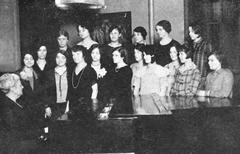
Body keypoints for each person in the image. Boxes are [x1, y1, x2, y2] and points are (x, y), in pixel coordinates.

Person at [0, 73, 48, 153]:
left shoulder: (19, 101)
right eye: (20, 85)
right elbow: (16, 131)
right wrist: (39, 133)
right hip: (16, 146)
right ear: (12, 89)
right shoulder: (6, 107)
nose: (22, 87)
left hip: (26, 140)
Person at [133, 45, 170, 112]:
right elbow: (136, 91)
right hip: (143, 102)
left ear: (153, 55)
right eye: (144, 55)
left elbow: (163, 91)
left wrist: (161, 107)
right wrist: (137, 106)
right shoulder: (140, 71)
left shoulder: (161, 70)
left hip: (157, 104)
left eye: (147, 55)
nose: (145, 57)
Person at [68, 45, 98, 120]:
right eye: (73, 55)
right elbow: (70, 91)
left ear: (84, 54)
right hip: (73, 107)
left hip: (87, 108)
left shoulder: (90, 70)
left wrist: (93, 108)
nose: (75, 57)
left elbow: (95, 90)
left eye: (78, 54)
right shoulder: (71, 70)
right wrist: (67, 108)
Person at [46, 50, 70, 120]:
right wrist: (46, 106)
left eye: (63, 58)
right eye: (58, 57)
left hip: (67, 105)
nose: (60, 60)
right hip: (53, 105)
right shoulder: (49, 73)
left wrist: (68, 105)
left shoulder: (71, 72)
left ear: (66, 59)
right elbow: (45, 92)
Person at [188, 22, 213, 89]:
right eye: (189, 31)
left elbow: (211, 61)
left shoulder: (206, 44)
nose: (189, 34)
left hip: (202, 77)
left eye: (192, 31)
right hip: (190, 76)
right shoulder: (189, 45)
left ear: (198, 32)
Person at [109, 47, 133, 114]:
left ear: (122, 57)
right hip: (113, 100)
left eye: (116, 55)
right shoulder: (112, 69)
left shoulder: (127, 70)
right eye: (113, 55)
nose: (113, 57)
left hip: (123, 101)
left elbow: (124, 88)